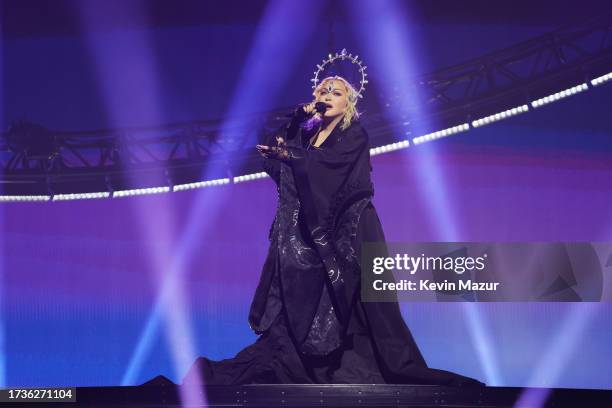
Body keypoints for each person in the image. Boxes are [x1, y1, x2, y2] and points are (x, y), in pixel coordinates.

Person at [183, 76, 483, 386]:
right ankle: (310, 364)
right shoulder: (306, 138)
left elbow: (328, 168)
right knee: (306, 304)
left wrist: (292, 156)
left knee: (357, 302)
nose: (328, 95)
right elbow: (274, 154)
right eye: (323, 90)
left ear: (348, 104)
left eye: (336, 92)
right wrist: (296, 120)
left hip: (350, 228)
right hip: (312, 236)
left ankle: (371, 364)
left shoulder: (354, 135)